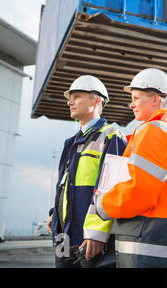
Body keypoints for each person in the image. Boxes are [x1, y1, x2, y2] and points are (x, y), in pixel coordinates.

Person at [94, 68, 167, 268]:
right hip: (157, 244)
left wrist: (103, 204)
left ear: (155, 100)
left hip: (147, 246)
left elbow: (140, 191)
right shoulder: (166, 132)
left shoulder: (154, 131)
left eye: (136, 98)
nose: (131, 104)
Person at [46, 75, 127, 268]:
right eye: (70, 97)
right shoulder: (70, 142)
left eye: (77, 96)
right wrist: (54, 214)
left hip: (90, 240)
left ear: (96, 100)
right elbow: (64, 186)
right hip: (63, 236)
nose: (69, 102)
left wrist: (98, 234)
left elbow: (112, 188)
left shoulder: (111, 136)